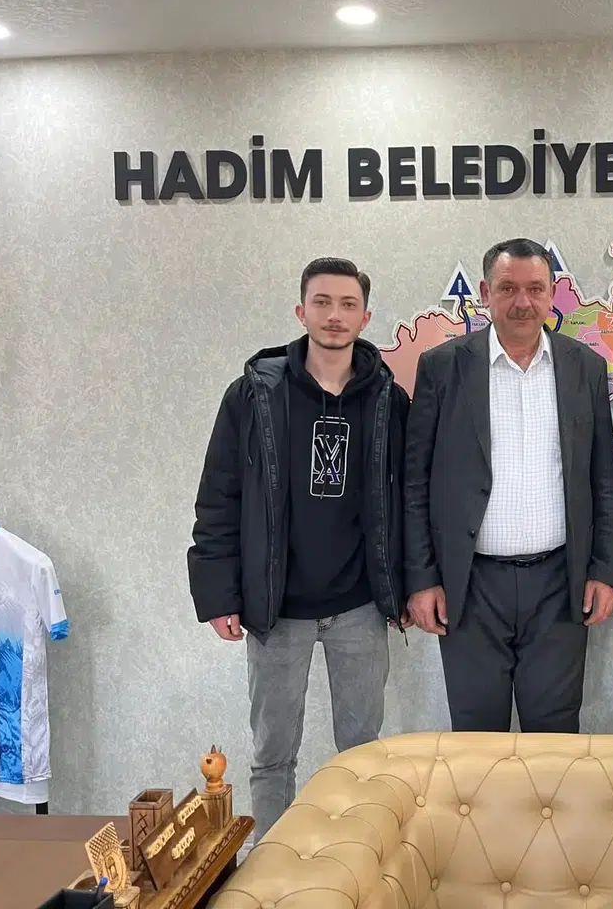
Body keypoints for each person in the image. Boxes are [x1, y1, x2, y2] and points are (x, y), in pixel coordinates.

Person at [186, 256, 410, 840]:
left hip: (359, 606)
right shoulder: (254, 395)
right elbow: (219, 497)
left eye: (347, 304)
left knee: (362, 753)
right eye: (322, 302)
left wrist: (405, 588)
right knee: (272, 754)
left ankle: (359, 858)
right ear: (300, 310)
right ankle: (269, 867)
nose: (334, 315)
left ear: (365, 317)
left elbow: (409, 501)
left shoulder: (389, 400)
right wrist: (218, 594)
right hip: (276, 608)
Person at [404, 237, 613, 732]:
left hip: (560, 585)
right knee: (477, 737)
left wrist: (605, 570)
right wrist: (422, 578)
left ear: (552, 294)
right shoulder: (442, 367)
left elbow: (603, 478)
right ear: (485, 293)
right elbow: (416, 483)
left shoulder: (584, 366)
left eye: (535, 288)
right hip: (470, 587)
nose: (522, 302)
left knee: (555, 736)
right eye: (507, 288)